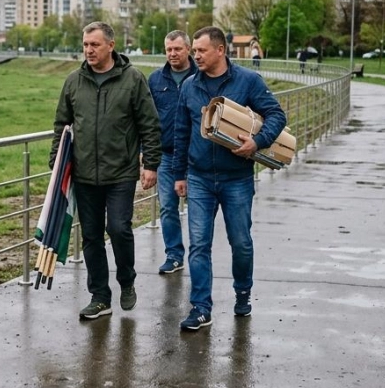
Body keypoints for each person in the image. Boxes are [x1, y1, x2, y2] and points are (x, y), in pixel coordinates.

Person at [173, 26, 287, 330]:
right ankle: (200, 307)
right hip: (198, 178)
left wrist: (257, 142)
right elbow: (181, 132)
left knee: (241, 243)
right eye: (194, 50)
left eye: (201, 50)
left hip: (236, 178)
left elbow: (277, 115)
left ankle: (242, 291)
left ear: (220, 50)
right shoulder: (188, 86)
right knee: (198, 244)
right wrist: (179, 174)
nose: (195, 55)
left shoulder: (247, 81)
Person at [50, 21, 161, 321]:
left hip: (121, 172)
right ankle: (100, 296)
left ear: (111, 45)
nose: (88, 50)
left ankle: (127, 281)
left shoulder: (133, 79)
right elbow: (62, 125)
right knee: (91, 237)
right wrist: (56, 166)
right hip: (85, 174)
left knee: (119, 228)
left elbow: (149, 125)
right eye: (85, 45)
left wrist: (150, 164)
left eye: (94, 45)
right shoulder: (74, 81)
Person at [148, 31, 199, 276]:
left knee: (199, 207)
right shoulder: (156, 80)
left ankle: (200, 254)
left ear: (188, 49)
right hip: (166, 155)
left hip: (196, 156)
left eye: (177, 49)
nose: (172, 54)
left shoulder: (201, 77)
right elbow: (147, 121)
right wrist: (146, 156)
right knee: (168, 207)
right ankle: (174, 255)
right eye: (168, 49)